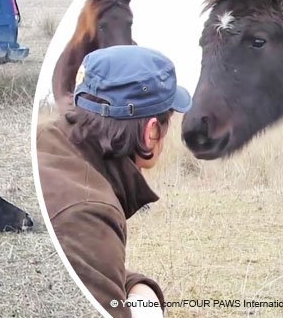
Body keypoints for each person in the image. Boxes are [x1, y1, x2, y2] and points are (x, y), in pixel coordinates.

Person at [36, 45, 192, 318]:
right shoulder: (87, 211)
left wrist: (139, 286)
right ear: (151, 132)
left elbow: (83, 268)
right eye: (168, 122)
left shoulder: (46, 140)